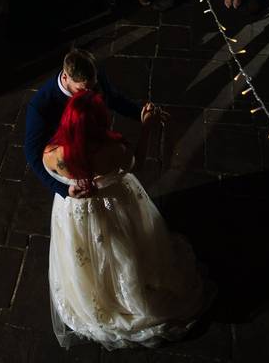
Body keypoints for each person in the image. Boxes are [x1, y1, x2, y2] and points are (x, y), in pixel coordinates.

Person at [44, 91, 210, 348]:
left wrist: (71, 188)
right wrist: (146, 129)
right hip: (113, 205)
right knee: (124, 250)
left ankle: (95, 296)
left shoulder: (56, 154)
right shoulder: (112, 150)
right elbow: (137, 163)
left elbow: (48, 169)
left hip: (74, 211)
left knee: (85, 253)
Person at [24, 49, 160, 199]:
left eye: (94, 86)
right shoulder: (40, 106)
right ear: (65, 77)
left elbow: (114, 99)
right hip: (78, 157)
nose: (91, 93)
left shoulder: (93, 74)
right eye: (82, 90)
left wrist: (141, 114)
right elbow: (32, 152)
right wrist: (63, 189)